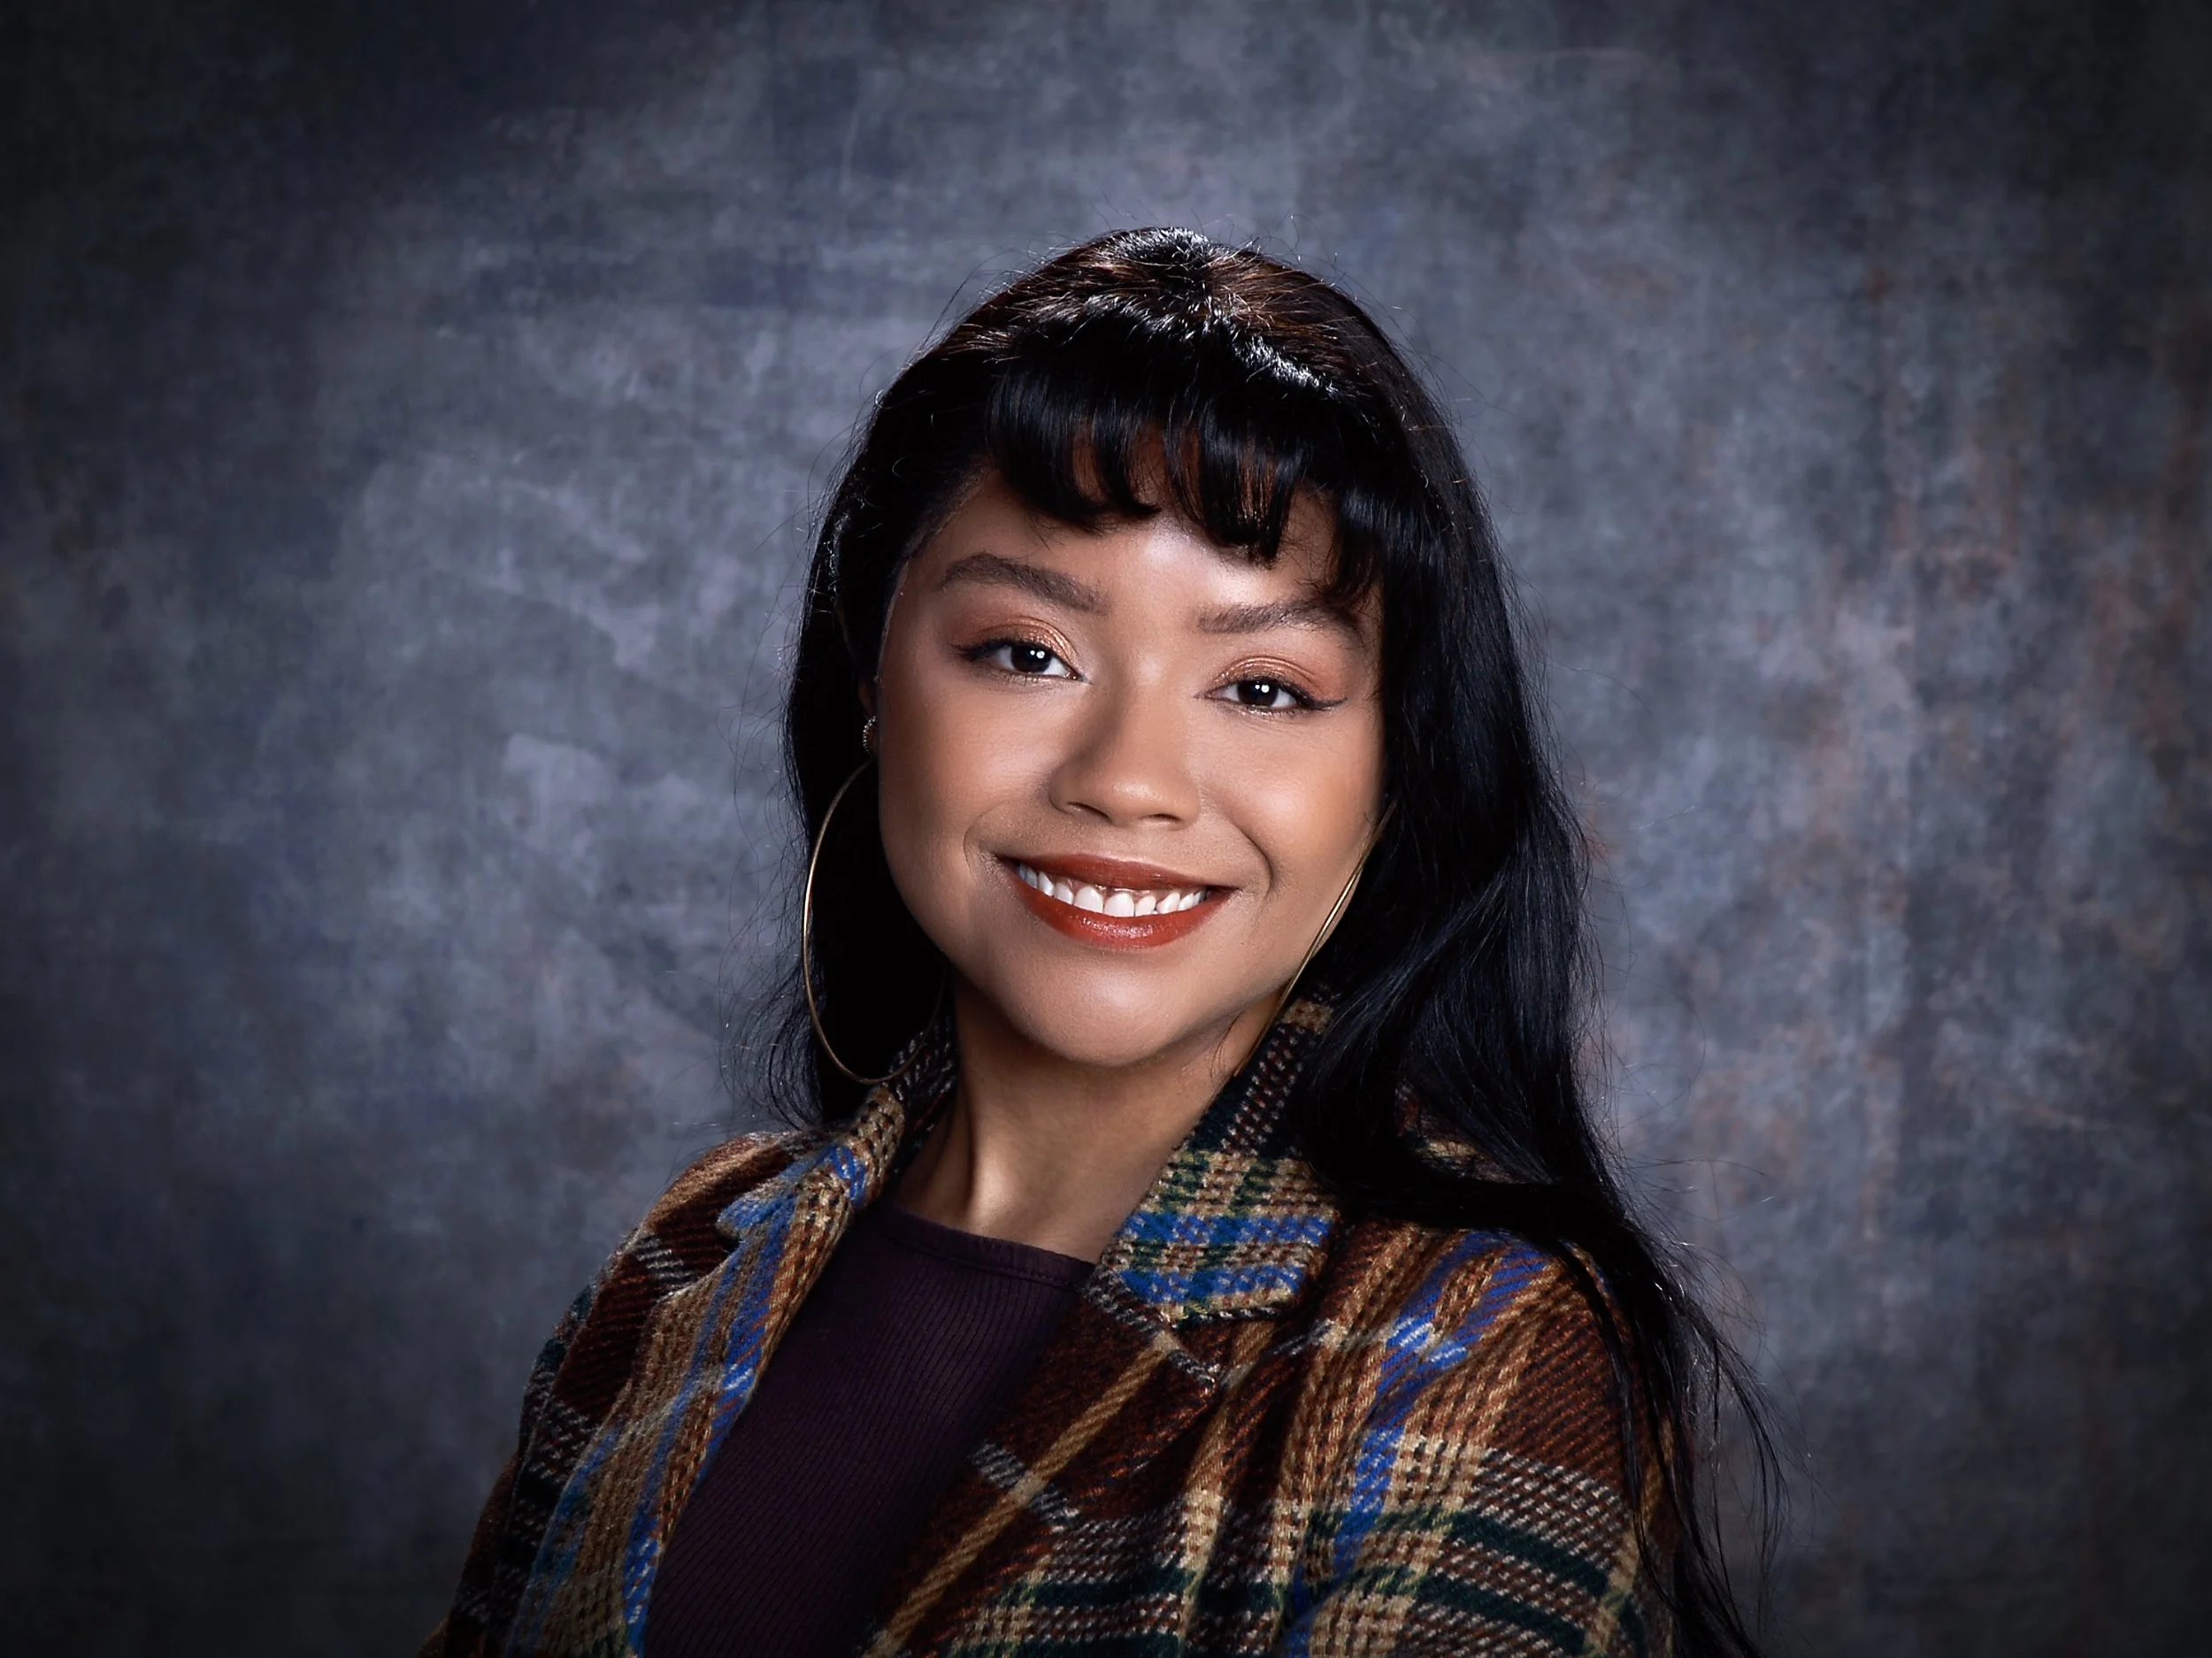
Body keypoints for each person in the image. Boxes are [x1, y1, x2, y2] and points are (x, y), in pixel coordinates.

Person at [424, 227, 1767, 1657]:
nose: (1129, 778)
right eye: (1027, 653)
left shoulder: (1473, 1337)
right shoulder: (685, 1264)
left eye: (1262, 685)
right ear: (875, 676)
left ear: (1395, 771)